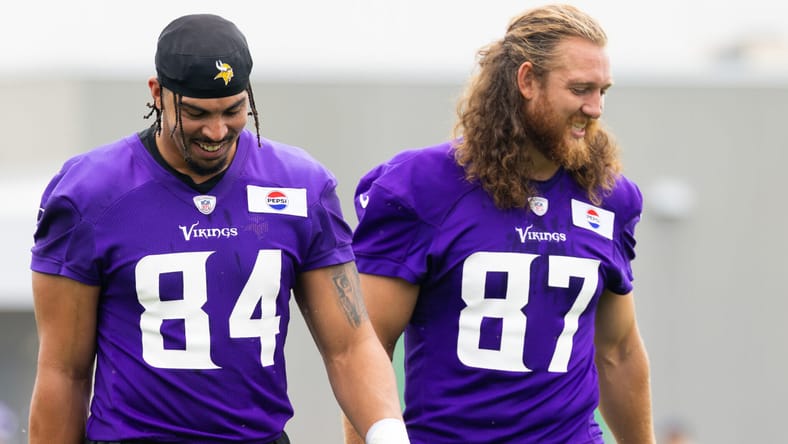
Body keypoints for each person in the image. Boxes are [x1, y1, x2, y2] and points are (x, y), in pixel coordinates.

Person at [28, 14, 409, 444]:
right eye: (196, 113)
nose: (216, 130)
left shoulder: (299, 186)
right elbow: (64, 372)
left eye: (233, 110)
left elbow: (349, 345)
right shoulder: (90, 195)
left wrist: (388, 435)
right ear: (157, 94)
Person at [344, 4, 655, 443]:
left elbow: (618, 351)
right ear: (527, 80)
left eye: (604, 90)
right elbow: (367, 346)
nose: (596, 107)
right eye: (581, 89)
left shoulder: (610, 198)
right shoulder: (421, 187)